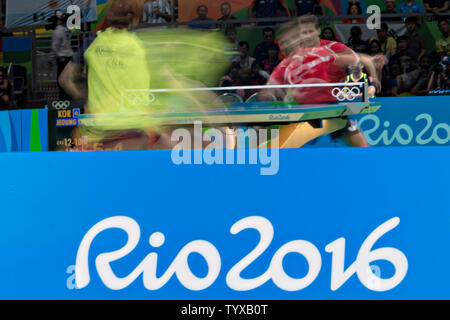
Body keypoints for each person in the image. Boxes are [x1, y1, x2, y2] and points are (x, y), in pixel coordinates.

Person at [265, 15, 380, 147]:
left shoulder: (333, 48)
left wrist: (372, 84)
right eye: (304, 32)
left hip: (332, 103)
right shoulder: (295, 56)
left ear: (318, 31)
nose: (307, 36)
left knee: (357, 141)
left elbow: (363, 61)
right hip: (304, 107)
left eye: (310, 31)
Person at [48, 10, 74, 101]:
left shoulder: (57, 31)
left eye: (54, 20)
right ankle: (69, 100)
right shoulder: (66, 29)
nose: (53, 22)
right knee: (67, 80)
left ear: (58, 20)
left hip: (63, 60)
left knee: (62, 81)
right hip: (68, 58)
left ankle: (64, 102)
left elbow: (54, 48)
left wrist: (50, 60)